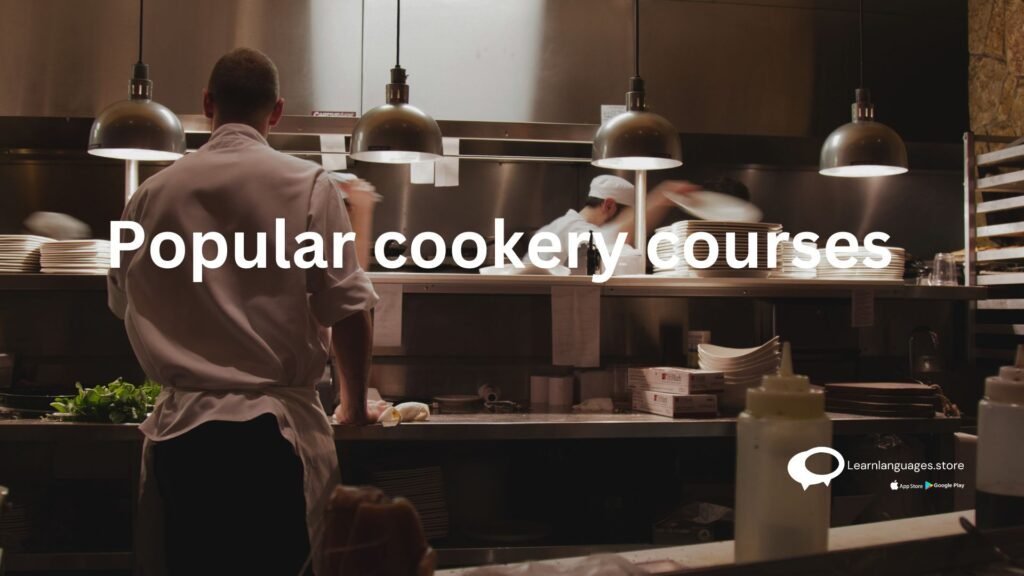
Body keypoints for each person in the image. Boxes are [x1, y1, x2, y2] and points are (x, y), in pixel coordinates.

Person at [107, 48, 378, 576]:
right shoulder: (310, 185)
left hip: (182, 440)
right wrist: (354, 407)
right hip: (272, 441)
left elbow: (122, 303)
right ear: (276, 111)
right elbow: (347, 308)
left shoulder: (147, 195)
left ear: (208, 103)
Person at [537, 174, 699, 269]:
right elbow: (615, 234)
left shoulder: (558, 226)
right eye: (628, 214)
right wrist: (662, 195)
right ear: (608, 205)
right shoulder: (572, 229)